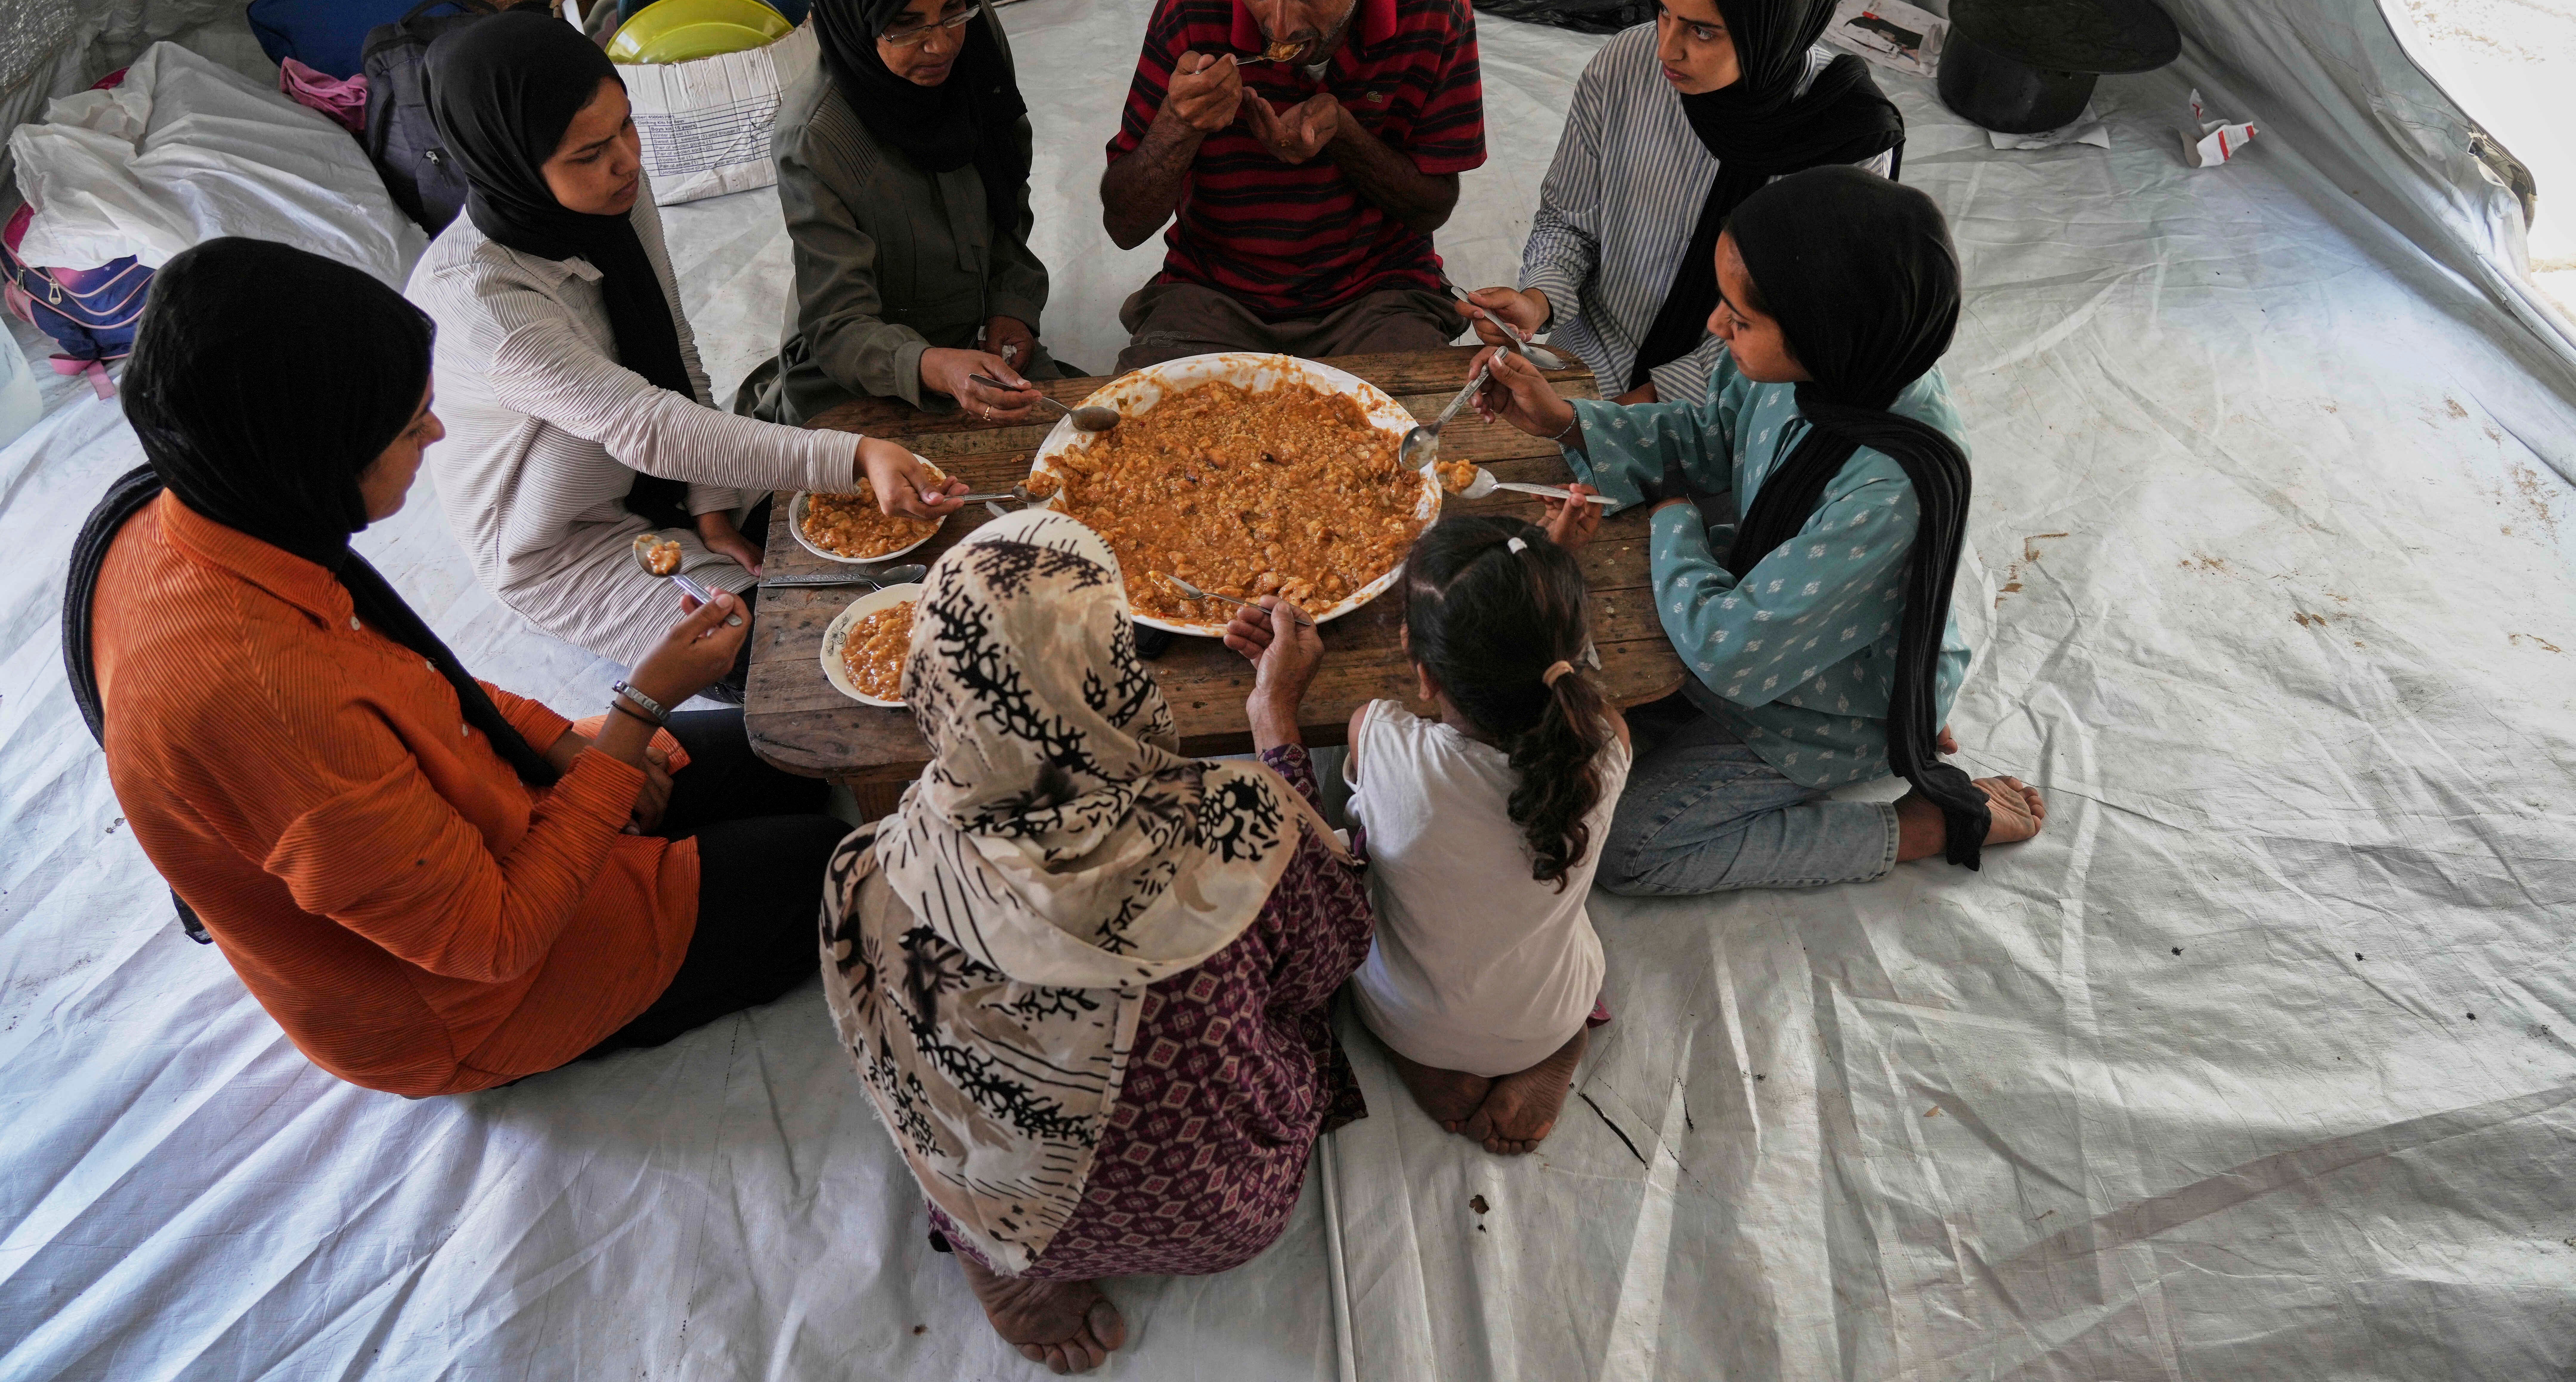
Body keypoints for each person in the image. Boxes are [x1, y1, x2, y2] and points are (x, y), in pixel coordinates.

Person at [64, 239, 851, 1097]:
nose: (437, 434)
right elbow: (497, 939)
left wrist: (558, 744)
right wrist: (635, 715)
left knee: (789, 749)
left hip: (471, 813)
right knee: (836, 864)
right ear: (314, 460)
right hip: (470, 995)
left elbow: (405, 680)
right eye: (407, 429)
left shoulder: (205, 501)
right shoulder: (261, 700)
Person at [821, 510, 1371, 1375]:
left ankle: (999, 1261)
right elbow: (1330, 959)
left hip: (1006, 1217)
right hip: (1222, 1214)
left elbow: (901, 1064)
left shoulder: (879, 867)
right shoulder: (1239, 833)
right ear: (1116, 669)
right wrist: (1276, 731)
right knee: (1298, 1006)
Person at [1470, 166, 2046, 896]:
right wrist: (1569, 420)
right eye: (1725, 304)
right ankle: (1901, 714)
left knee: (1629, 849)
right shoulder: (1813, 366)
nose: (1715, 326)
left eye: (1740, 319)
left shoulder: (1889, 487)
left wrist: (1672, 517)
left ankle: (1916, 824)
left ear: (1826, 333)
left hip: (1816, 706)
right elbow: (1715, 436)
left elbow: (1732, 651)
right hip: (1768, 607)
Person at [406, 10, 961, 682]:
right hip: (571, 540)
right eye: (588, 153)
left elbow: (673, 352)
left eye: (627, 125)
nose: (627, 161)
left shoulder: (617, 202)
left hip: (663, 466)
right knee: (781, 654)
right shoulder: (482, 303)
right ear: (508, 162)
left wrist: (711, 502)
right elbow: (644, 424)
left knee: (898, 555)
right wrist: (851, 455)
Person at [1463, 0, 1905, 406]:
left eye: (1702, 30)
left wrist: (1632, 418)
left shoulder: (1845, 142)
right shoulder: (1625, 65)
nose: (1666, 50)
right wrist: (1539, 300)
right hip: (1590, 364)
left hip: (1729, 407)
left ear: (1774, 24)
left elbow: (1796, 329)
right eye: (1663, 13)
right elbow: (1568, 219)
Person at [1100, 0, 1486, 371]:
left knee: (1409, 440)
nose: (1279, 23)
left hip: (1376, 291)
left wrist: (1346, 137)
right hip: (1216, 289)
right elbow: (1123, 226)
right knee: (1149, 441)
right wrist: (1177, 127)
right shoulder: (1195, 0)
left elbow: (1433, 206)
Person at [1344, 511, 1631, 1156]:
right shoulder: (1609, 747)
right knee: (1547, 935)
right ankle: (1567, 1040)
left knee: (1360, 845)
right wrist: (1536, 584)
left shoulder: (1380, 740)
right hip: (1546, 1015)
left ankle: (1426, 1062)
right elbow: (1576, 684)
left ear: (1425, 675)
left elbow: (1370, 727)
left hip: (1407, 1021)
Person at [738, 0, 1060, 429]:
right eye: (904, 24)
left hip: (973, 344)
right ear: (853, 14)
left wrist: (1012, 303)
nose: (939, 45)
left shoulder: (975, 48)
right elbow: (839, 327)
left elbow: (1010, 187)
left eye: (953, 9)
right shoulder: (816, 139)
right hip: (861, 372)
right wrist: (932, 367)